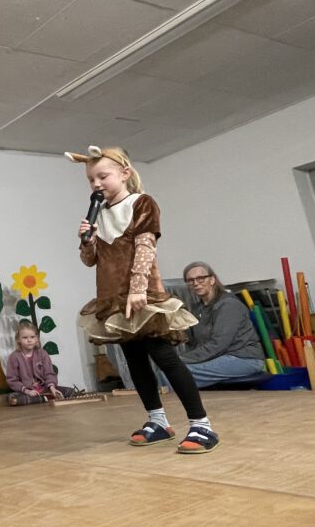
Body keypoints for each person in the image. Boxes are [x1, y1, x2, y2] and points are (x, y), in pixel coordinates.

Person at [67, 145, 218, 454]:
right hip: (113, 300)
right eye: (91, 180)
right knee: (134, 361)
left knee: (165, 358)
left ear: (125, 173)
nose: (96, 184)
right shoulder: (99, 214)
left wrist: (138, 289)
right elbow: (90, 260)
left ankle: (202, 424)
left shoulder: (141, 203)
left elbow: (146, 248)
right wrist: (88, 240)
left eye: (103, 176)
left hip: (142, 296)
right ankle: (158, 421)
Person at [178, 261, 267, 387]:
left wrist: (181, 360)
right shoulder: (198, 308)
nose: (196, 283)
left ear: (212, 280)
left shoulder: (228, 305)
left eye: (201, 278)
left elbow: (218, 344)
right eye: (190, 280)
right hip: (218, 357)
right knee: (172, 370)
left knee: (177, 373)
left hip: (243, 358)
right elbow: (191, 341)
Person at [5, 320, 75, 405]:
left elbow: (49, 373)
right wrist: (27, 391)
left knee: (70, 391)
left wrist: (52, 388)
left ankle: (45, 397)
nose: (29, 340)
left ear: (36, 338)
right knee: (13, 398)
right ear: (18, 339)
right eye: (25, 337)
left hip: (45, 388)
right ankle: (46, 398)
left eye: (32, 337)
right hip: (26, 391)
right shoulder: (14, 357)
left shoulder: (42, 353)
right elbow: (12, 380)